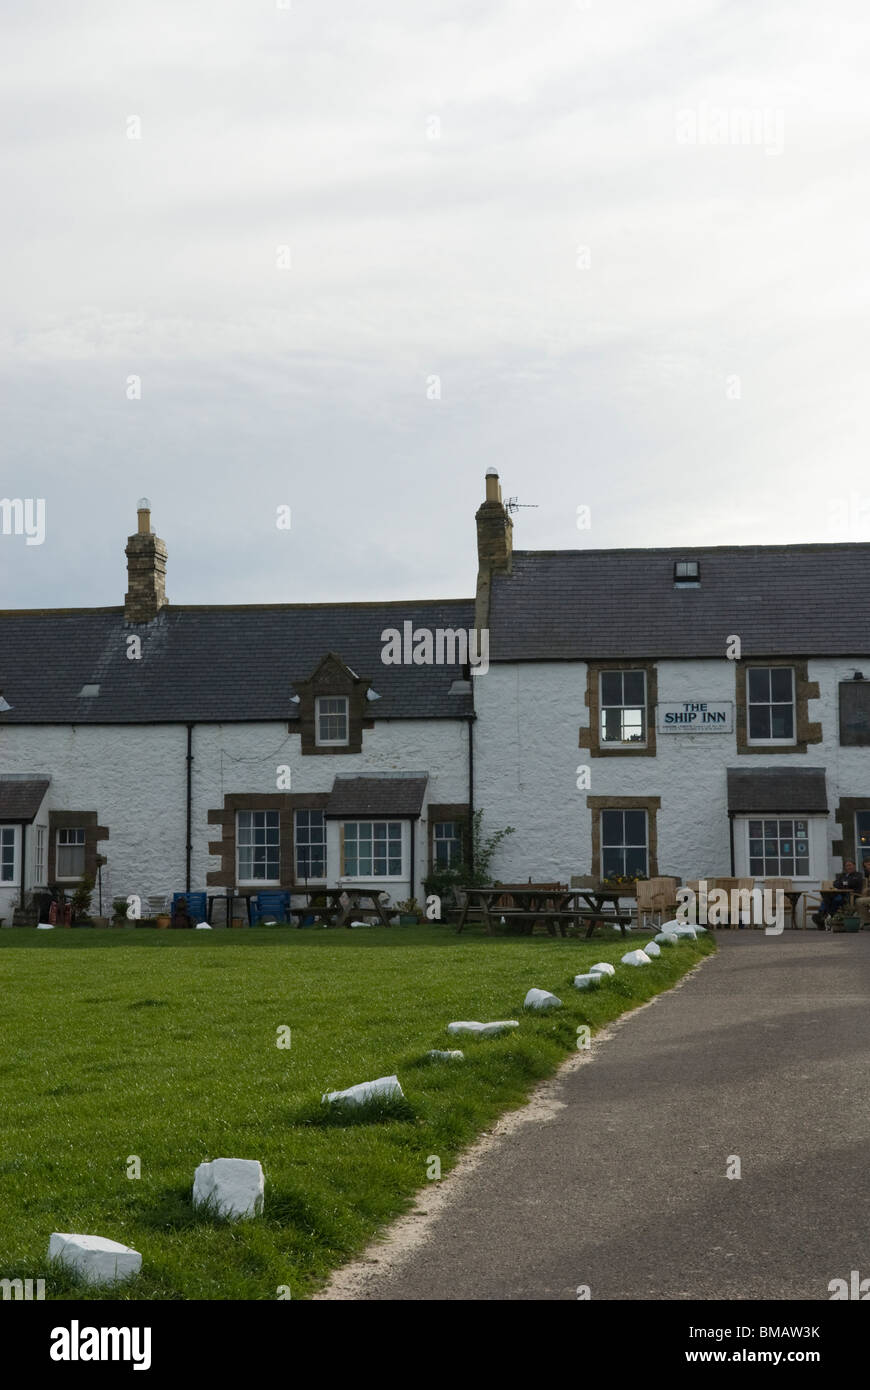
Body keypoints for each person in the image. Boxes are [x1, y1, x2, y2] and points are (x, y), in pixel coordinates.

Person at [812, 859, 864, 929]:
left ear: (854, 866)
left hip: (852, 896)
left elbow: (853, 883)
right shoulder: (842, 875)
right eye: (847, 866)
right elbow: (835, 883)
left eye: (850, 865)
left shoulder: (858, 875)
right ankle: (821, 915)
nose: (848, 867)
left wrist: (843, 883)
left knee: (834, 899)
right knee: (826, 899)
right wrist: (844, 883)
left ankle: (825, 917)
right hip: (841, 895)